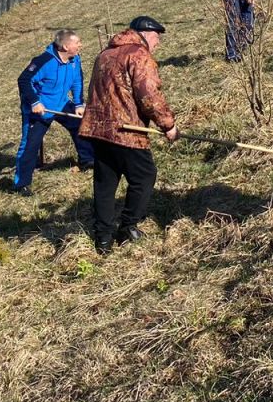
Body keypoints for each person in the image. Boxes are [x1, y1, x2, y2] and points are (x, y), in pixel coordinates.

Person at [78, 16, 179, 254]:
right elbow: (148, 95)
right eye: (156, 37)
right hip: (127, 130)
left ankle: (102, 239)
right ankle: (128, 226)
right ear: (144, 33)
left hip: (99, 129)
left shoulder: (105, 54)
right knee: (144, 176)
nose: (158, 43)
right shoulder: (139, 55)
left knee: (105, 184)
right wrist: (168, 125)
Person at [13, 29, 94, 196]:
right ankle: (22, 184)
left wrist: (79, 104)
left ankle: (87, 160)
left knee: (80, 124)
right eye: (76, 42)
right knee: (30, 144)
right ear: (65, 46)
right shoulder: (44, 61)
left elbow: (77, 80)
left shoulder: (74, 59)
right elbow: (24, 80)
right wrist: (35, 102)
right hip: (40, 109)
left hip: (61, 102)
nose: (80, 45)